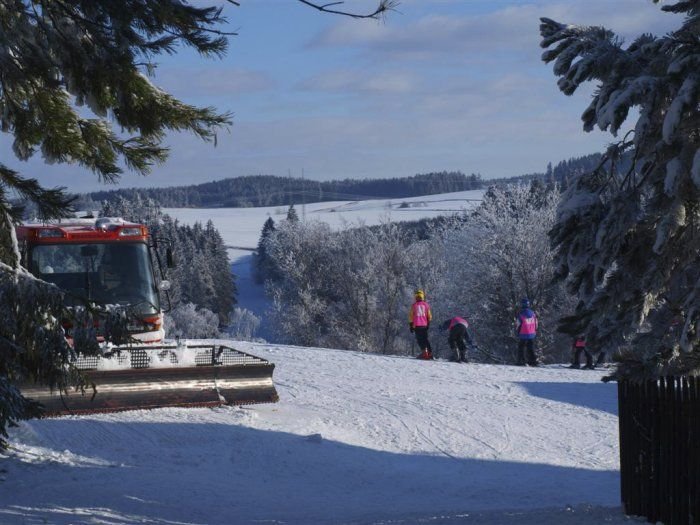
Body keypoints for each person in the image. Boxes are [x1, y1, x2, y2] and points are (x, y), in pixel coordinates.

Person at [409, 289, 433, 359]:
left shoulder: (414, 305)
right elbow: (429, 316)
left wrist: (411, 325)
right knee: (425, 339)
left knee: (420, 340)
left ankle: (424, 353)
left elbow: (411, 316)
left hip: (417, 325)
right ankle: (430, 353)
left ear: (416, 297)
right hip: (425, 325)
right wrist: (428, 324)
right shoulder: (426, 305)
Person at [516, 298, 538, 366]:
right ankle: (533, 361)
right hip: (531, 333)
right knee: (530, 347)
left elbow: (518, 324)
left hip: (523, 333)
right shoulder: (532, 313)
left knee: (521, 347)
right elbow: (536, 323)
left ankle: (521, 361)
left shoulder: (521, 314)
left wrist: (518, 331)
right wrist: (534, 330)